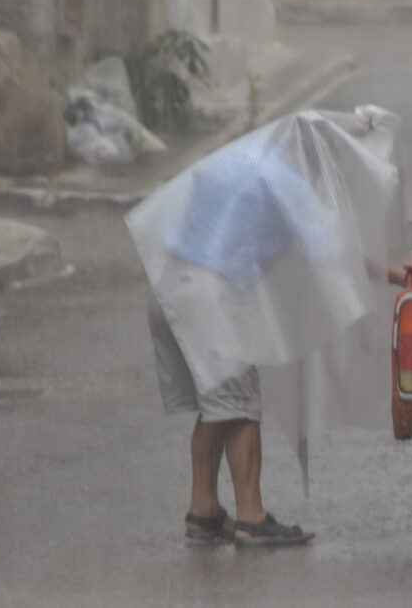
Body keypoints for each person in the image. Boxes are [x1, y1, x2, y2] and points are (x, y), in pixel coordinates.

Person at [147, 138, 329, 546]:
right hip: (207, 296)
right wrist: (393, 273)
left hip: (166, 285)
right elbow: (330, 256)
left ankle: (204, 511)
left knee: (218, 405)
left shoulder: (239, 164)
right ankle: (251, 516)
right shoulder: (288, 180)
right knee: (242, 406)